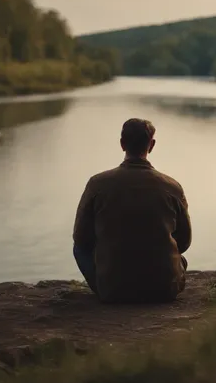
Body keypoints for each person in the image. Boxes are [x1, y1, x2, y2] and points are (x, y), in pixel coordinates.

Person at [72, 118, 192, 303]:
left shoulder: (97, 184)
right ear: (151, 145)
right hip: (163, 290)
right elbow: (184, 242)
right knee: (178, 259)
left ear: (122, 144)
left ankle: (111, 279)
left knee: (79, 249)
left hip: (113, 291)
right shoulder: (172, 187)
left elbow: (81, 239)